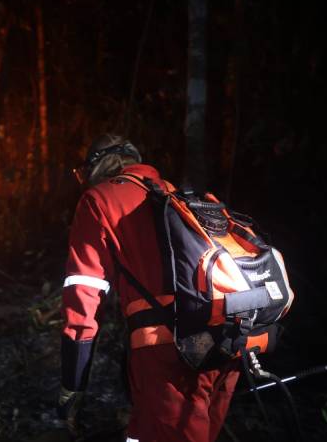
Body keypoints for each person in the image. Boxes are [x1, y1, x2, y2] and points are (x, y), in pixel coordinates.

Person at [57, 134, 241, 442]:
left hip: (169, 347)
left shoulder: (99, 200)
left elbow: (83, 293)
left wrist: (73, 382)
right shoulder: (176, 193)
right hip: (228, 337)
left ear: (95, 169)